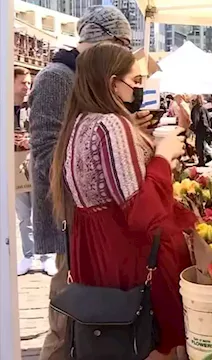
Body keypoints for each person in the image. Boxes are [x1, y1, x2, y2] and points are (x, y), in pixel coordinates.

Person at [49, 42, 194, 358]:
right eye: (135, 81)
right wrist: (162, 155)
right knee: (147, 335)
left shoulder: (80, 122)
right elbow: (140, 211)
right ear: (112, 82)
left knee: (113, 332)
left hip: (95, 250)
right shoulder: (110, 125)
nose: (138, 88)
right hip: (129, 253)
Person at [27, 6, 153, 360]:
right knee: (70, 309)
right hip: (70, 213)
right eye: (123, 45)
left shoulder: (76, 75)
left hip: (84, 214)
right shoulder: (57, 76)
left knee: (87, 306)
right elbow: (46, 152)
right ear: (106, 41)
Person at [13, 67, 37, 276]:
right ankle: (28, 255)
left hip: (35, 162)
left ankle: (46, 257)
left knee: (41, 211)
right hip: (14, 165)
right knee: (23, 215)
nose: (27, 87)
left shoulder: (34, 107)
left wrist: (30, 140)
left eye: (29, 83)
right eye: (23, 82)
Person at [191, 95, 212, 166]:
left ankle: (202, 160)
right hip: (204, 128)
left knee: (199, 146)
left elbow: (196, 120)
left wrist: (193, 127)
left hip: (200, 129)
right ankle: (206, 157)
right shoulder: (203, 108)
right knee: (202, 145)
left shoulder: (196, 109)